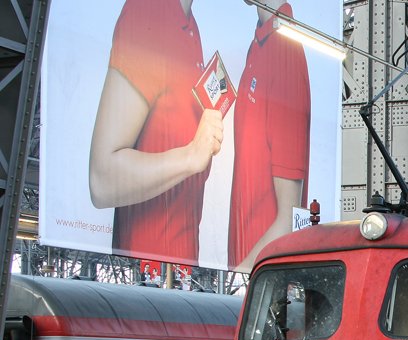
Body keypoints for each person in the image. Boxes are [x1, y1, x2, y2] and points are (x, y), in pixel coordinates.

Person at [89, 0, 224, 264]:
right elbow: (101, 179)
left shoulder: (190, 26)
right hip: (146, 283)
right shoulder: (149, 9)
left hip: (180, 278)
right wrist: (189, 157)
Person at [228, 0, 311, 271]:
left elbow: (289, 218)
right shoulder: (262, 39)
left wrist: (238, 280)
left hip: (260, 284)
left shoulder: (284, 47)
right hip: (253, 278)